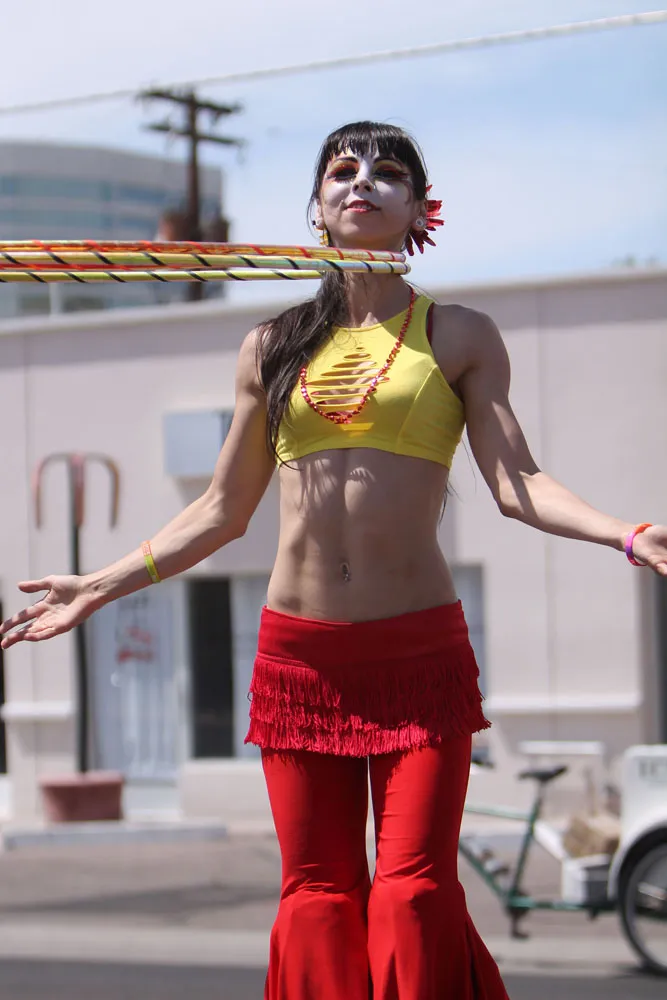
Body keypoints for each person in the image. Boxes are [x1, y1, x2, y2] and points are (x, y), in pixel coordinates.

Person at [1, 121, 666, 999]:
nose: (362, 182)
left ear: (420, 211)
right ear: (316, 209)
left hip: (418, 658)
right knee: (317, 900)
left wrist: (626, 533)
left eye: (387, 172)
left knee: (412, 895)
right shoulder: (271, 346)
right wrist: (99, 585)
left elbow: (518, 484)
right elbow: (221, 510)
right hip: (300, 661)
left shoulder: (459, 334)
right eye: (342, 170)